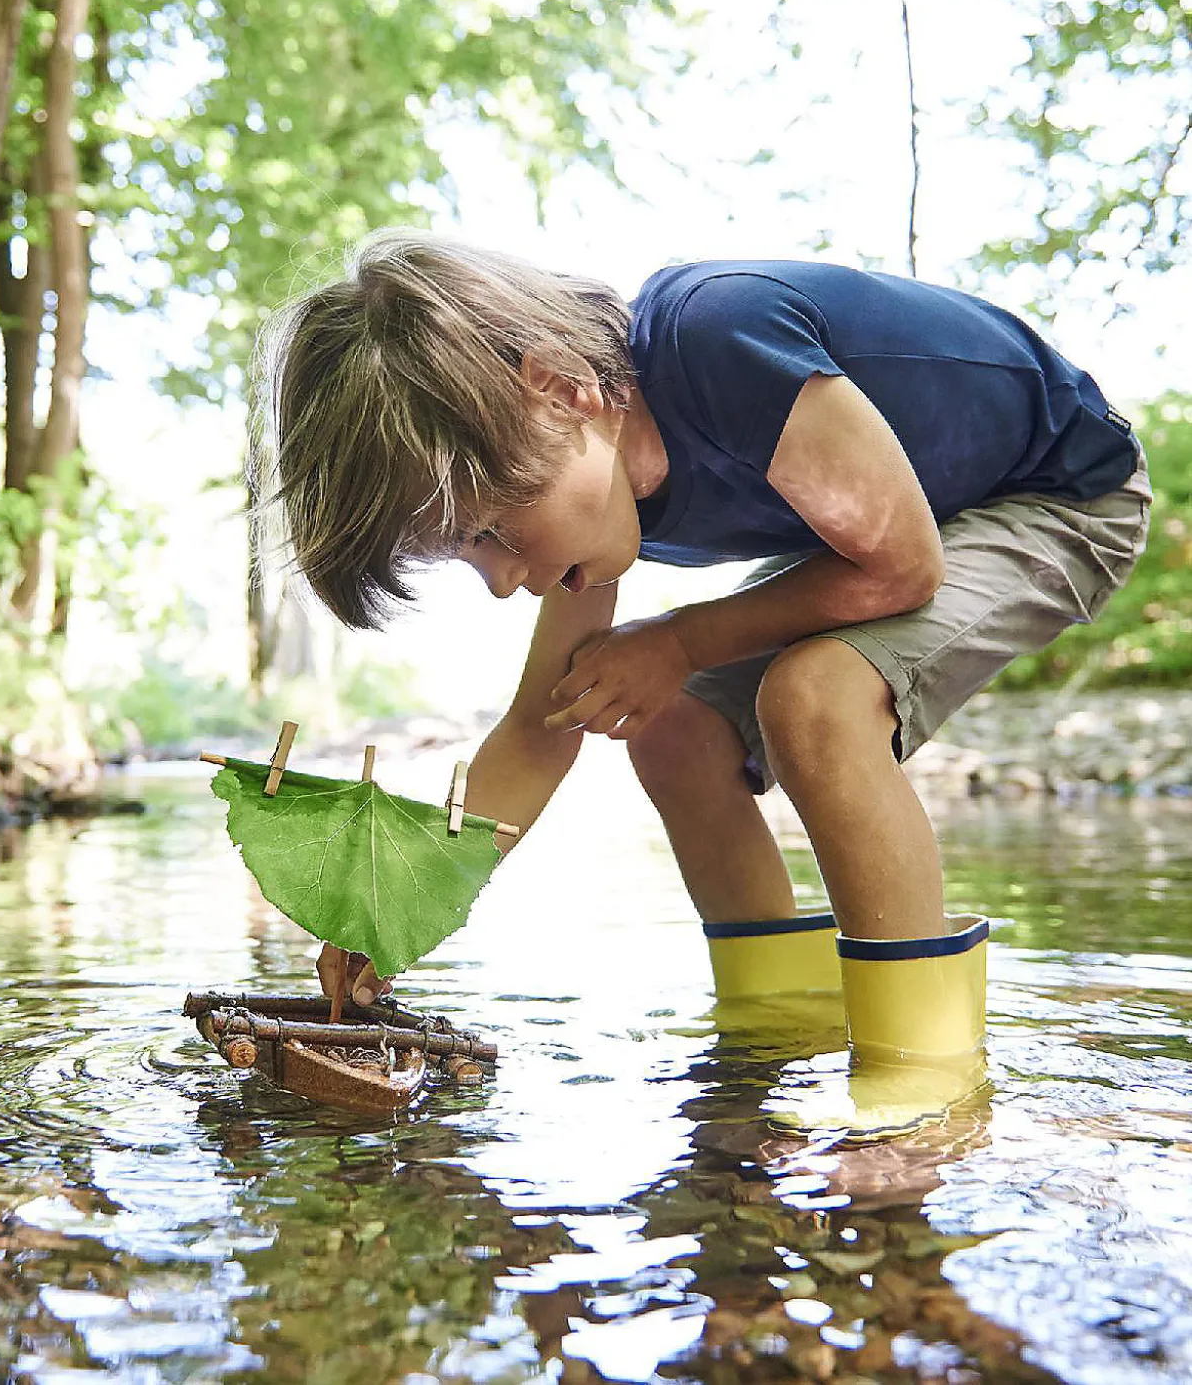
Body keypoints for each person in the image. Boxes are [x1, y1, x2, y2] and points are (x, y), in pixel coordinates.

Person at [259, 230, 1150, 1137]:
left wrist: (679, 641)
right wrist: (399, 905)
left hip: (1058, 496)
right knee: (672, 726)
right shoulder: (596, 485)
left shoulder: (719, 336)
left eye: (494, 529)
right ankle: (783, 1031)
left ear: (562, 390)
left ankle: (926, 1083)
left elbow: (902, 569)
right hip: (889, 538)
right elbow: (542, 728)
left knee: (814, 697)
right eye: (465, 556)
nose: (500, 580)